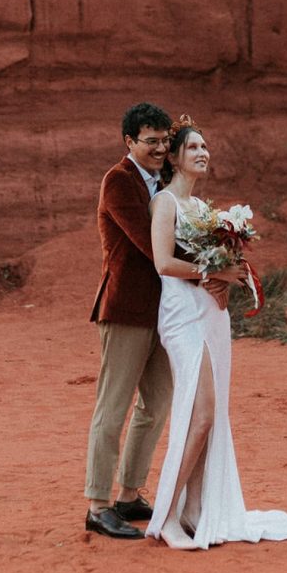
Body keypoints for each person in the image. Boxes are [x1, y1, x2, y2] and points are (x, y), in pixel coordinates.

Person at [146, 116, 287, 550]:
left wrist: (229, 277)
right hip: (181, 314)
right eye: (193, 148)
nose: (202, 153)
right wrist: (212, 271)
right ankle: (166, 516)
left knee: (212, 414)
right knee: (200, 414)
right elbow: (163, 263)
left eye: (205, 147)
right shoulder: (165, 203)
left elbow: (221, 266)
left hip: (211, 314)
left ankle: (194, 509)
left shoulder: (206, 211)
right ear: (173, 157)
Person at [84, 102, 175, 539]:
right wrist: (211, 262)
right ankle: (98, 505)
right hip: (125, 312)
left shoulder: (166, 182)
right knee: (113, 407)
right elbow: (150, 244)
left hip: (164, 314)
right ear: (129, 142)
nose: (160, 148)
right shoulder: (118, 182)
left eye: (164, 140)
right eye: (150, 140)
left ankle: (129, 495)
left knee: (155, 406)